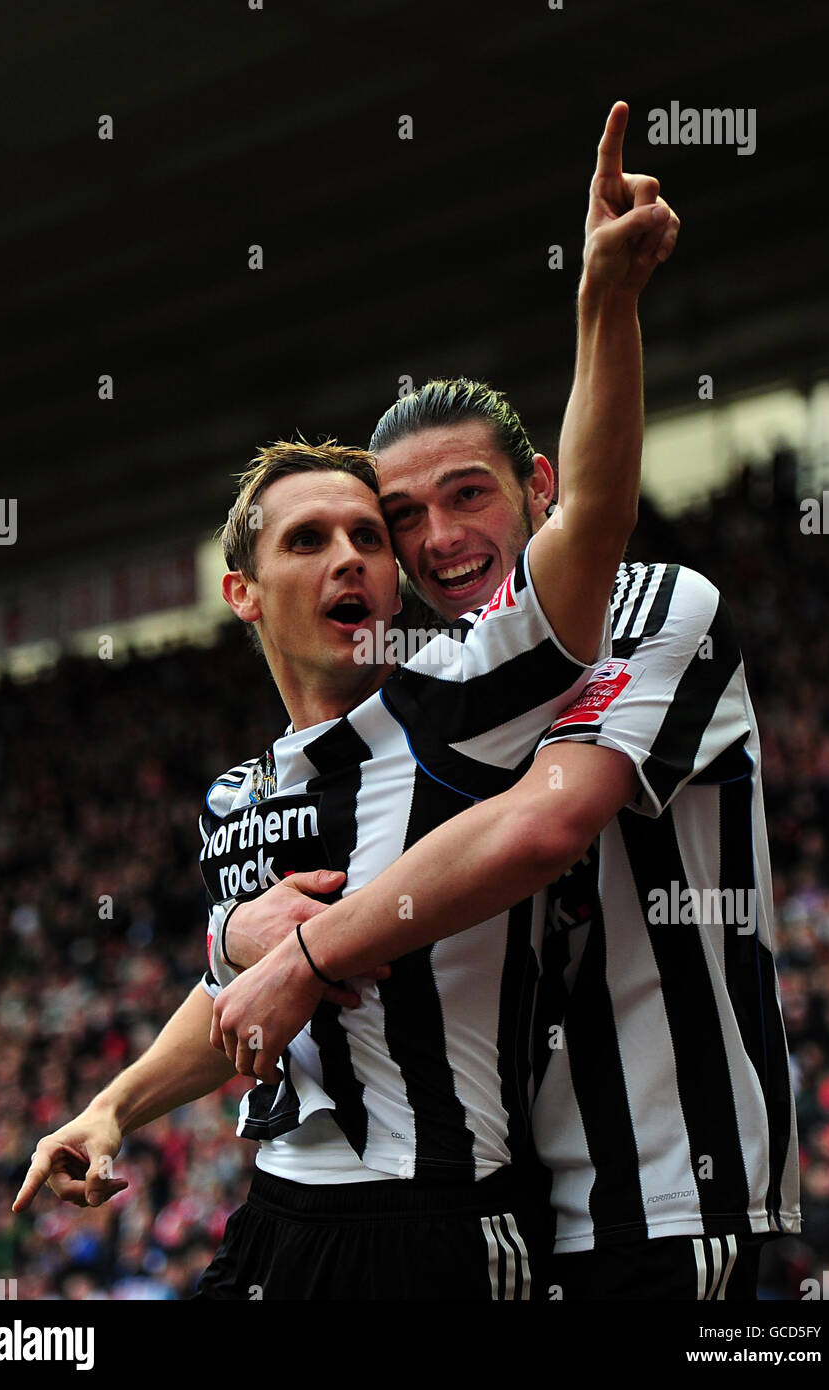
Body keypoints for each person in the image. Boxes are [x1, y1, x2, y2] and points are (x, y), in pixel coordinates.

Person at [12, 99, 671, 1300]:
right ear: (242, 591)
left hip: (436, 1230)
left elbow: (592, 529)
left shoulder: (462, 706)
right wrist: (111, 1106)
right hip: (276, 1215)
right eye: (308, 539)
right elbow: (236, 1000)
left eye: (370, 535)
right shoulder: (235, 794)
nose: (354, 558)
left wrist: (605, 303)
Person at [211, 123, 799, 1300]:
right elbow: (284, 888)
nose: (435, 540)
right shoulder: (432, 696)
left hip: (675, 1195)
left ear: (538, 485)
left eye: (467, 494)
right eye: (401, 519)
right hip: (516, 1201)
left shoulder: (652, 604)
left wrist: (605, 299)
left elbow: (546, 823)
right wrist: (228, 947)